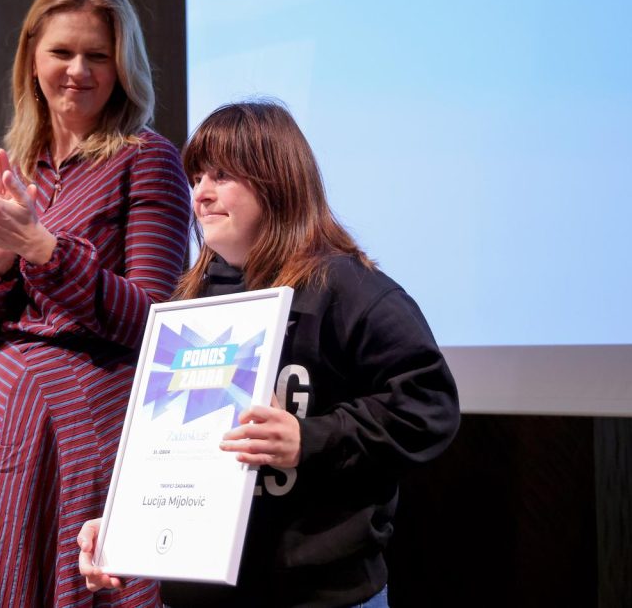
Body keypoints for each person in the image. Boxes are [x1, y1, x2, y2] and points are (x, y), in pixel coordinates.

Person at [78, 100, 460, 607]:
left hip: (318, 593)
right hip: (201, 595)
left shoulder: (347, 289)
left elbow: (428, 407)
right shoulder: (189, 305)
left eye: (221, 175)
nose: (201, 193)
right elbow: (174, 449)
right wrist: (127, 525)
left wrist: (309, 438)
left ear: (276, 179)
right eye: (196, 177)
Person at [0, 0, 190, 608]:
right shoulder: (10, 169)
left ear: (123, 65)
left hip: (85, 430)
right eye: (62, 52)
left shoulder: (147, 159)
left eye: (98, 55)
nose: (78, 71)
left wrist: (43, 249)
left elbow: (156, 321)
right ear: (31, 58)